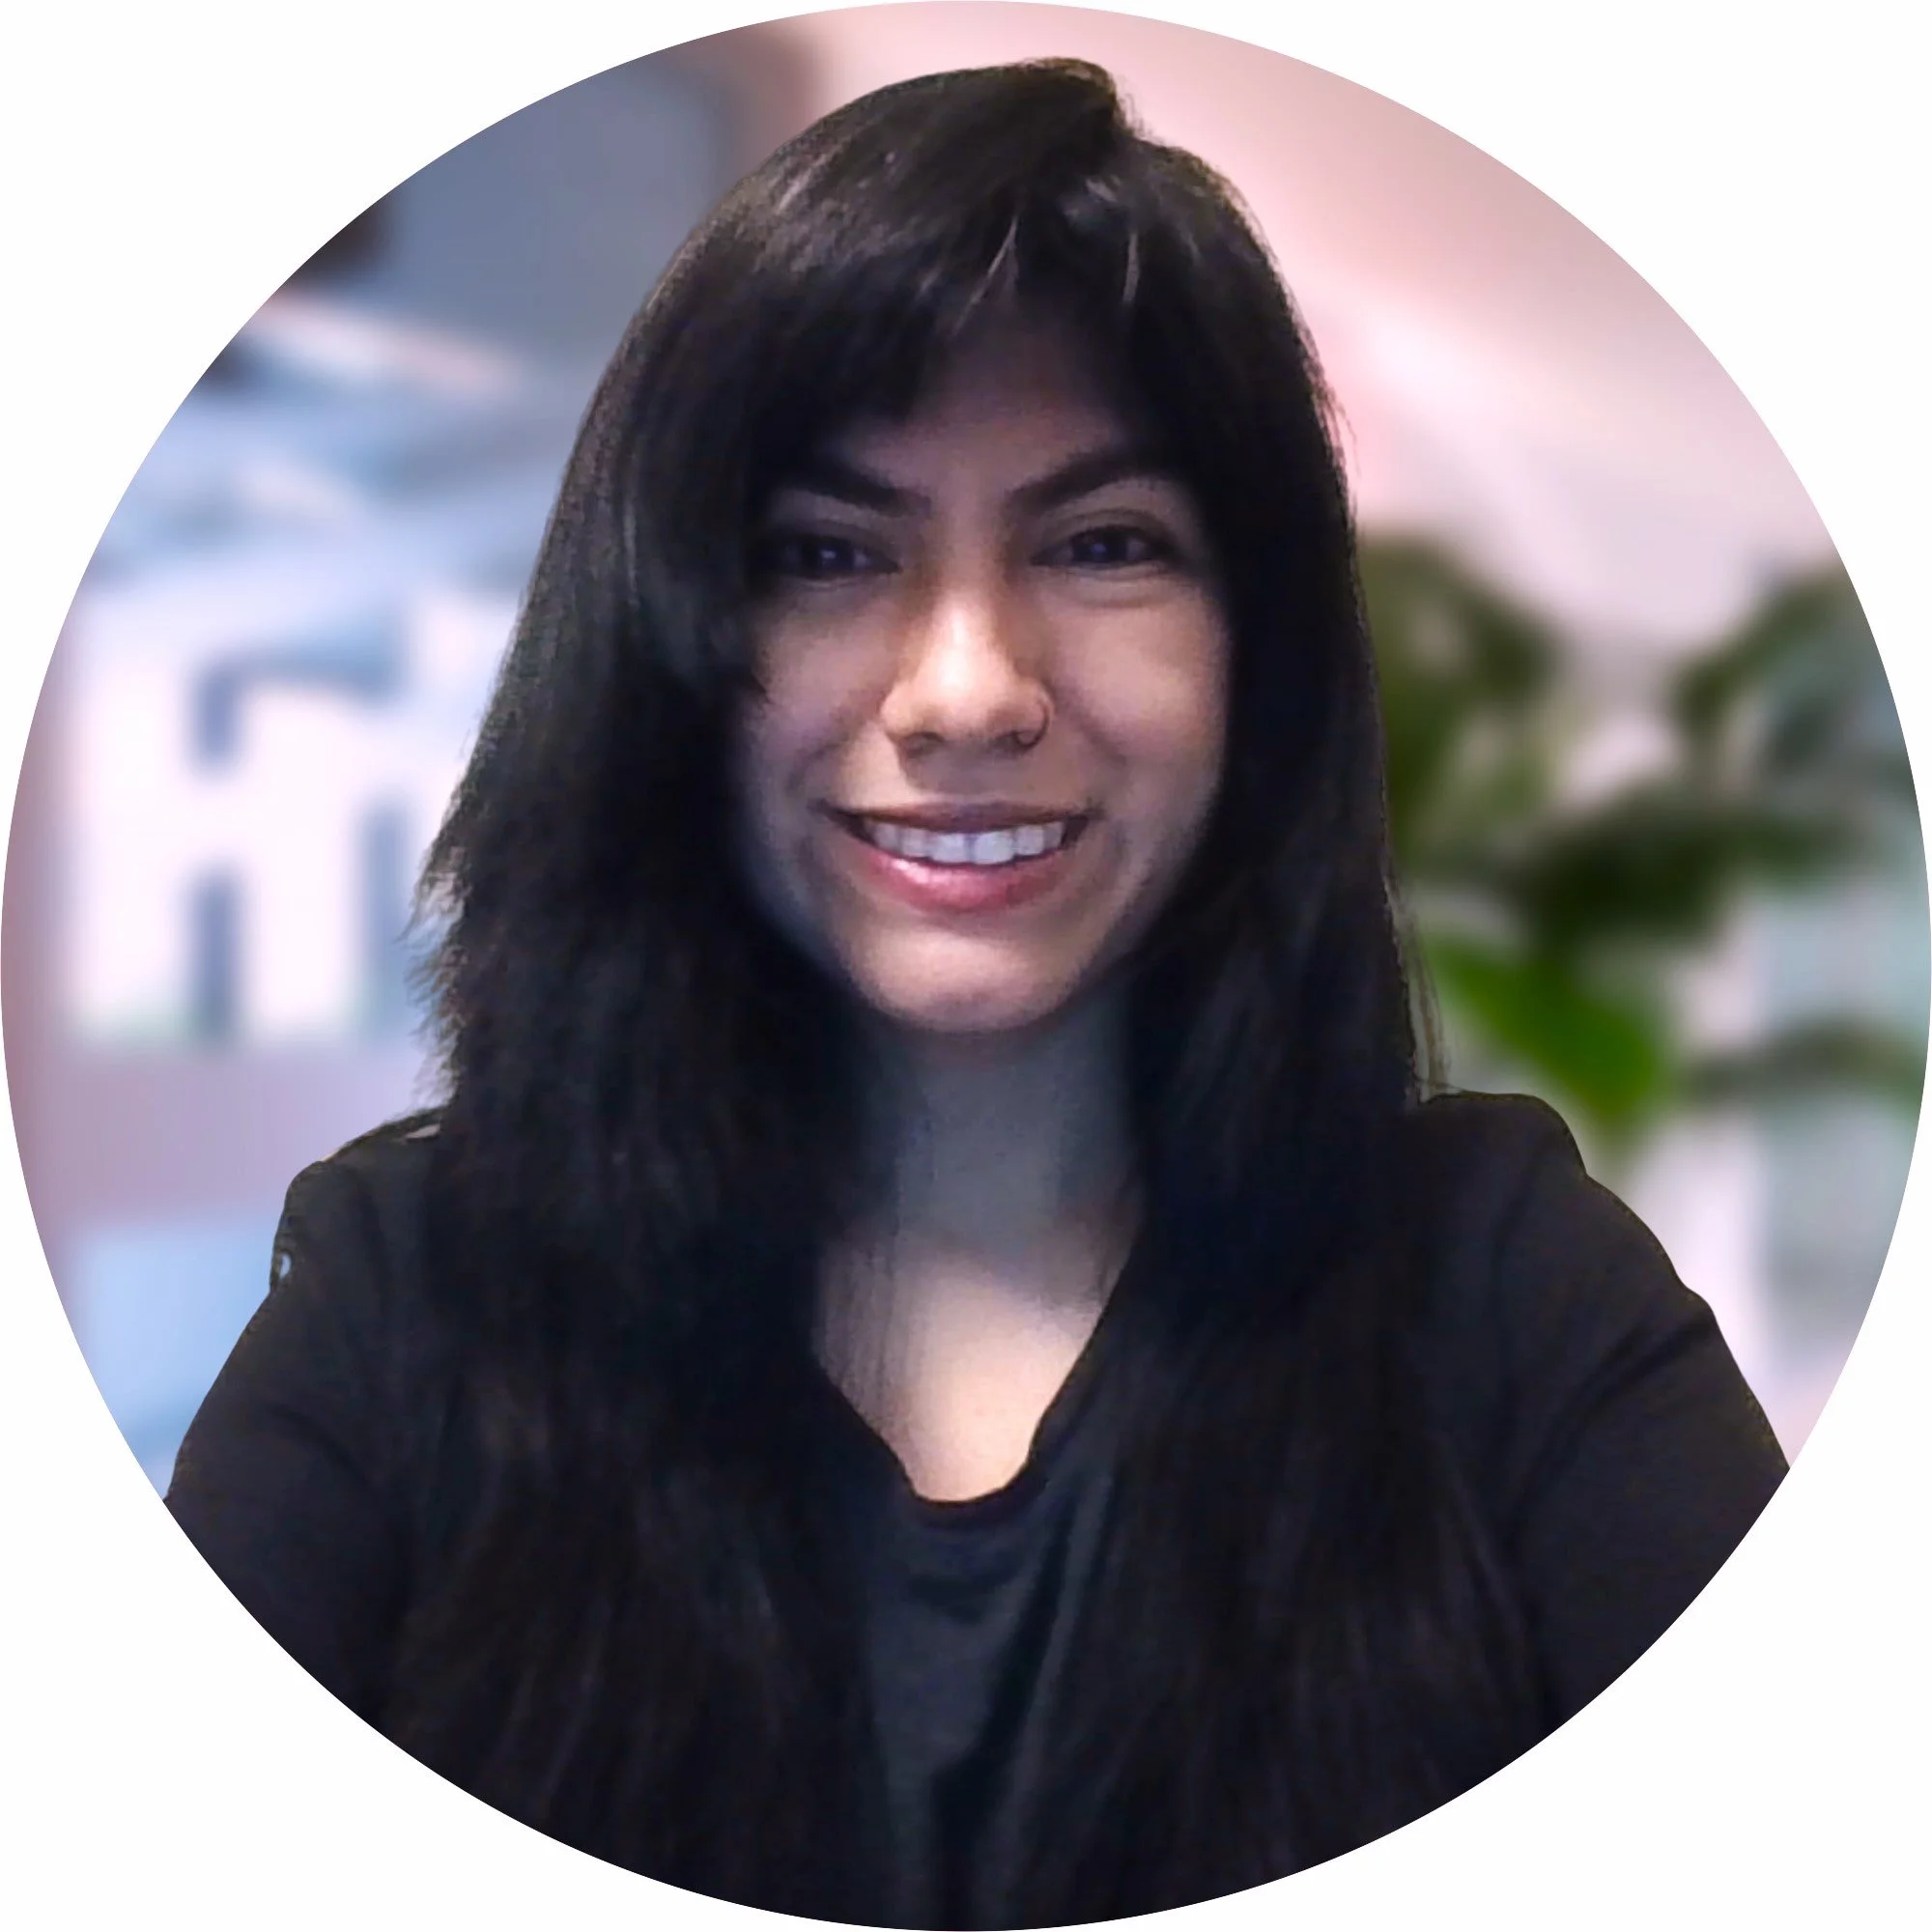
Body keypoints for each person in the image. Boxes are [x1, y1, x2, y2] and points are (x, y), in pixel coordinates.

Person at [166, 59, 1786, 1929]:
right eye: (827, 554)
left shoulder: (1504, 1294)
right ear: (663, 647)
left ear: (1257, 656)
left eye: (1102, 546)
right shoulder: (409, 1303)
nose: (967, 692)